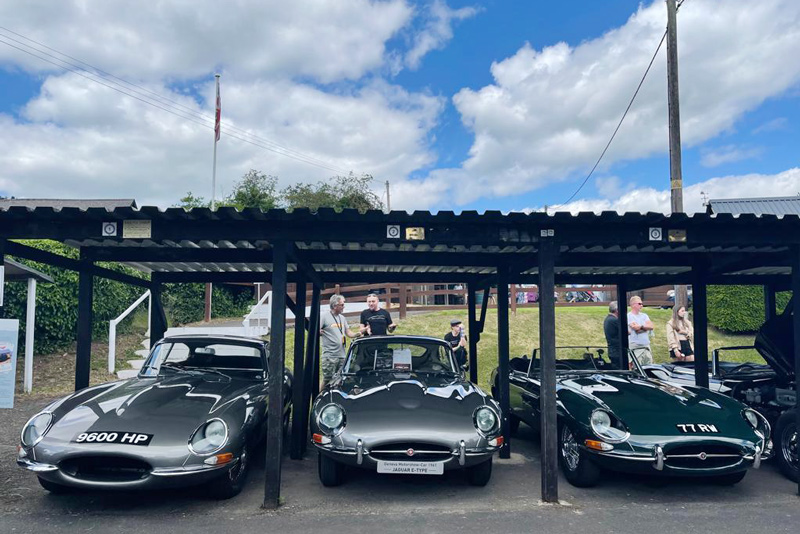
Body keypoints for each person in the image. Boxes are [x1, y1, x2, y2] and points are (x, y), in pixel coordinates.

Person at [320, 294, 361, 391]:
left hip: (342, 355)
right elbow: (315, 329)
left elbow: (348, 333)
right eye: (342, 305)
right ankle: (319, 397)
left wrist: (358, 334)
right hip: (330, 355)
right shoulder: (324, 316)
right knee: (327, 379)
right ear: (335, 306)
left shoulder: (342, 318)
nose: (344, 307)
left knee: (340, 379)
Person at [627, 296, 654, 366]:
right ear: (633, 305)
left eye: (642, 304)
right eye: (639, 304)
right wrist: (645, 328)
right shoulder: (629, 316)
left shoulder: (644, 316)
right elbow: (636, 329)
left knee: (649, 368)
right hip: (636, 347)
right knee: (637, 368)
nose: (641, 305)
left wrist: (641, 327)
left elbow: (651, 326)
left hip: (646, 346)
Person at [603, 301, 621, 368]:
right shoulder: (614, 320)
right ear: (617, 310)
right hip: (617, 351)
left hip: (612, 350)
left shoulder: (607, 319)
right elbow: (627, 332)